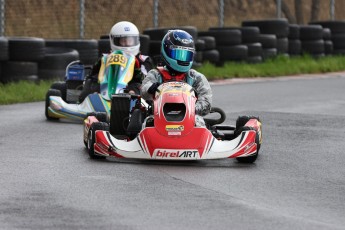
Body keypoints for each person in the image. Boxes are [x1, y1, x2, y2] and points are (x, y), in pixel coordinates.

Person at [141, 29, 212, 127]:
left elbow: (206, 102)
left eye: (186, 55)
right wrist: (151, 88)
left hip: (190, 118)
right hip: (159, 117)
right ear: (166, 51)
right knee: (148, 123)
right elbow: (144, 88)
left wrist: (191, 108)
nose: (182, 59)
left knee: (199, 122)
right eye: (179, 54)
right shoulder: (156, 74)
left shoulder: (195, 77)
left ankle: (200, 141)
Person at [79, 21, 153, 102]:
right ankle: (87, 102)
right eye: (123, 41)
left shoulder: (143, 59)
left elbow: (146, 79)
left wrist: (136, 69)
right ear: (114, 40)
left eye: (130, 41)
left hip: (130, 88)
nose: (127, 44)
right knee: (91, 83)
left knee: (140, 87)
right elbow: (92, 74)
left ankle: (132, 99)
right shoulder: (105, 58)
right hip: (105, 86)